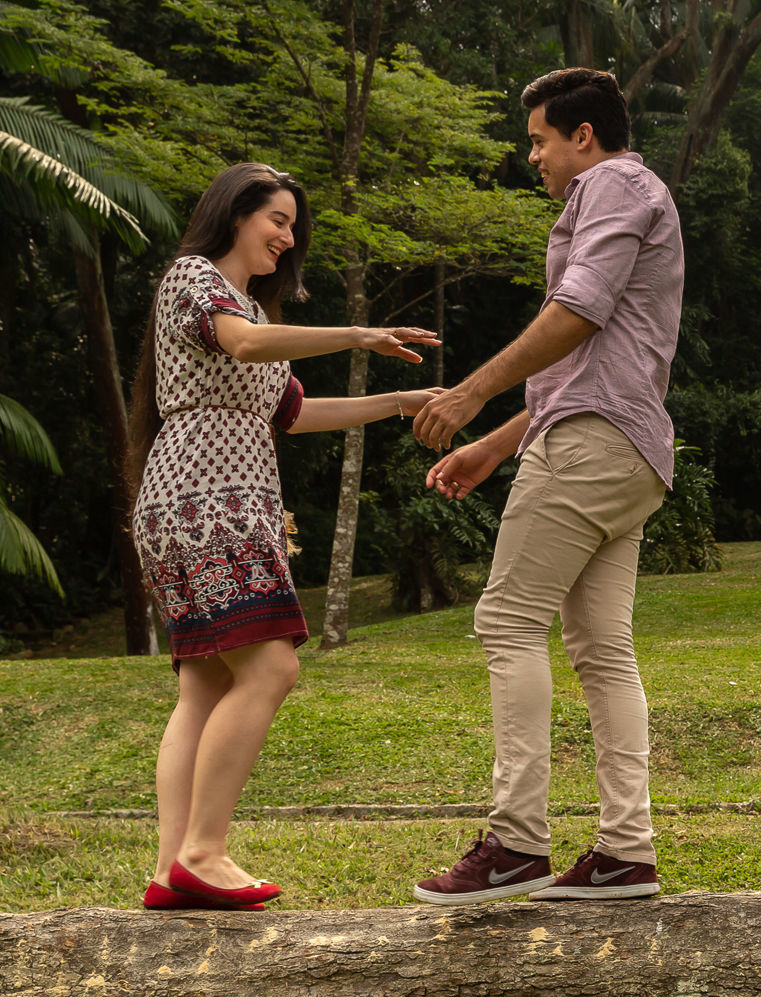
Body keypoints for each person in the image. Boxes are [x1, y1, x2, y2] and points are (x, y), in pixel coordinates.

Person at [127, 162, 442, 910]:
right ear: (234, 213)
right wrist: (358, 334)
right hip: (204, 504)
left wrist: (400, 402)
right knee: (270, 669)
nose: (286, 236)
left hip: (213, 503)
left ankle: (174, 867)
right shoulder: (193, 279)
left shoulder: (253, 313)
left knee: (205, 685)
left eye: (292, 225)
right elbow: (240, 346)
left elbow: (294, 413)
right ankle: (203, 850)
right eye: (276, 219)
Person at [410, 67, 681, 906]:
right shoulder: (625, 192)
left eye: (538, 140)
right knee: (601, 650)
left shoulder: (611, 183)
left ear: (583, 136)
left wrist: (471, 391)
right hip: (626, 448)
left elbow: (579, 313)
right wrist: (494, 446)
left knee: (507, 619)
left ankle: (518, 843)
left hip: (595, 444)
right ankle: (626, 854)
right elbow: (588, 363)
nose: (533, 156)